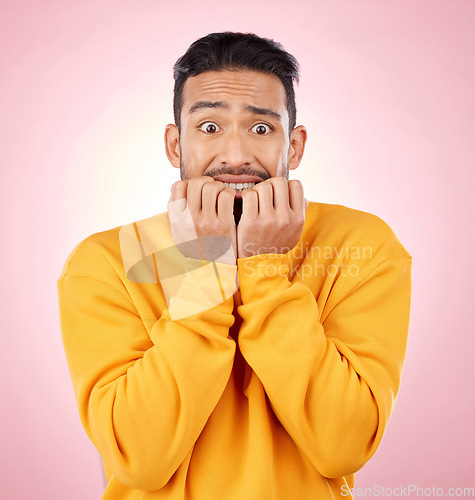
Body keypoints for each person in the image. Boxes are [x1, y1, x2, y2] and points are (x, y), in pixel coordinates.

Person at [57, 31, 412, 499]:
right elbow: (138, 459)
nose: (237, 156)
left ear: (296, 146)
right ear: (174, 145)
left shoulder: (359, 246)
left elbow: (344, 445)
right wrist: (205, 267)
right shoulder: (106, 261)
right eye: (208, 127)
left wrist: (263, 267)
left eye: (262, 129)